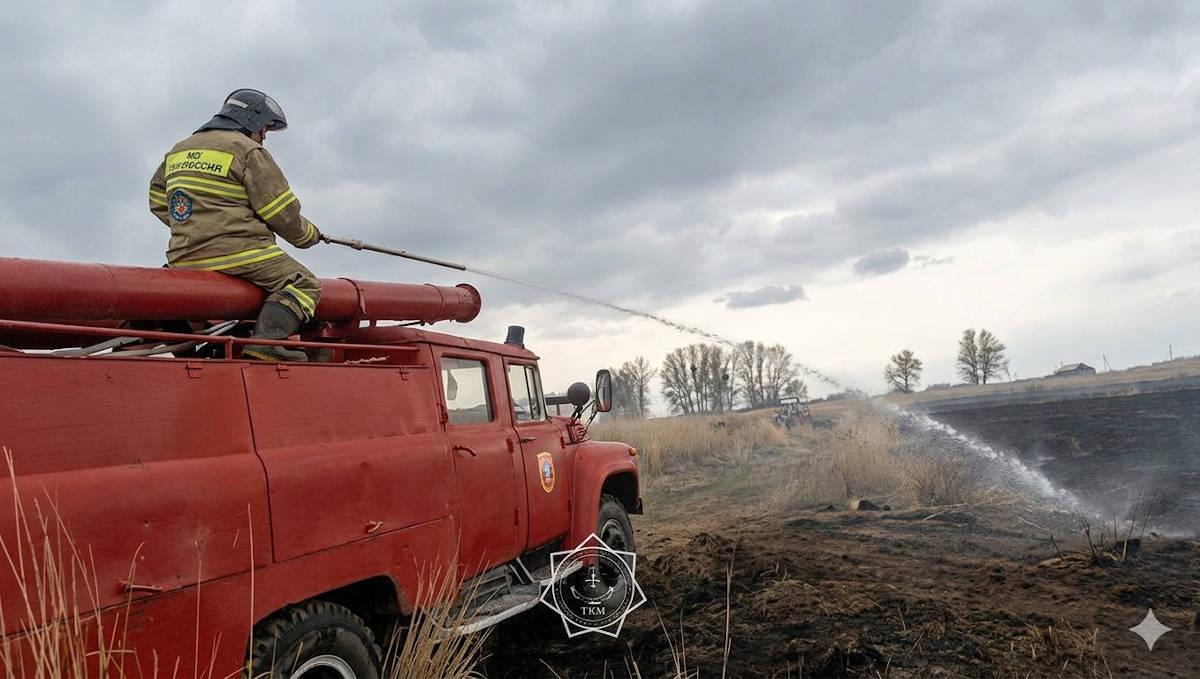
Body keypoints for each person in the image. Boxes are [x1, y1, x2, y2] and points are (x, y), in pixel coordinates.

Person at [148, 89, 322, 361]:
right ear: (251, 121)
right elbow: (280, 213)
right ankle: (267, 344)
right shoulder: (248, 150)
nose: (264, 136)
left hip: (184, 256)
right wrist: (310, 236)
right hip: (242, 252)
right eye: (264, 128)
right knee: (304, 283)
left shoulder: (179, 150)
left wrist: (195, 225)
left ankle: (184, 347)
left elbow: (159, 200)